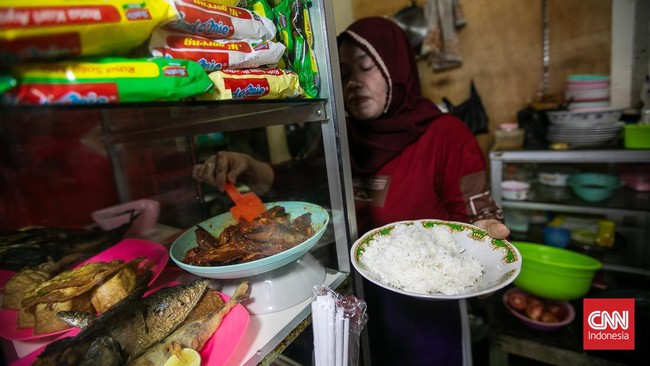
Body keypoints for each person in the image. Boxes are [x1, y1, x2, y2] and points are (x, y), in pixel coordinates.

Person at [193, 16, 509, 366]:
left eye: (366, 67)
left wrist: (481, 235)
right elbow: (300, 180)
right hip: (353, 300)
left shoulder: (445, 134)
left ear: (396, 68)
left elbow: (477, 217)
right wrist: (248, 165)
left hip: (425, 311)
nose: (354, 83)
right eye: (344, 74)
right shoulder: (341, 133)